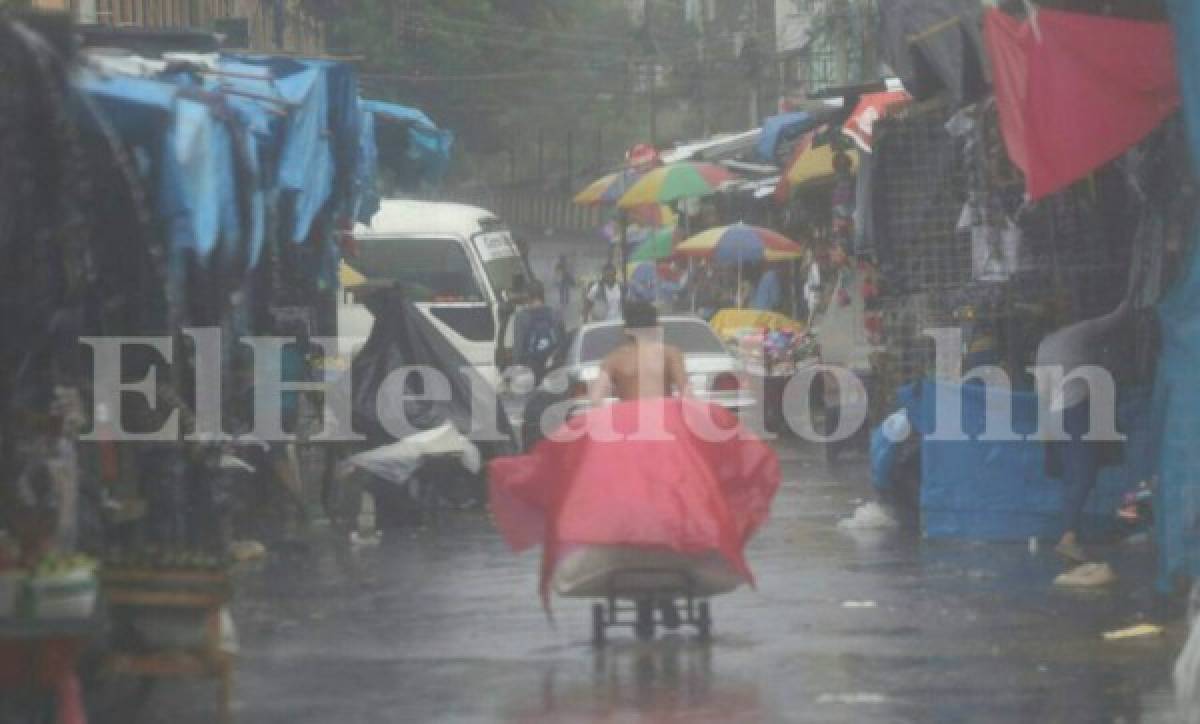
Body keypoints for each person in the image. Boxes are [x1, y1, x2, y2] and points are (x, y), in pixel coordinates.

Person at [589, 301, 689, 406]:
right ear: (657, 326)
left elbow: (595, 399)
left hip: (629, 419)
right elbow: (686, 393)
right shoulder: (670, 354)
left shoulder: (614, 358)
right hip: (662, 418)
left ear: (625, 329)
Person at [512, 281, 565, 384]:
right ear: (542, 294)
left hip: (532, 369)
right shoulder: (555, 313)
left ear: (527, 296)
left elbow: (518, 347)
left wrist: (516, 370)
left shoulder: (521, 317)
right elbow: (563, 342)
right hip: (554, 366)